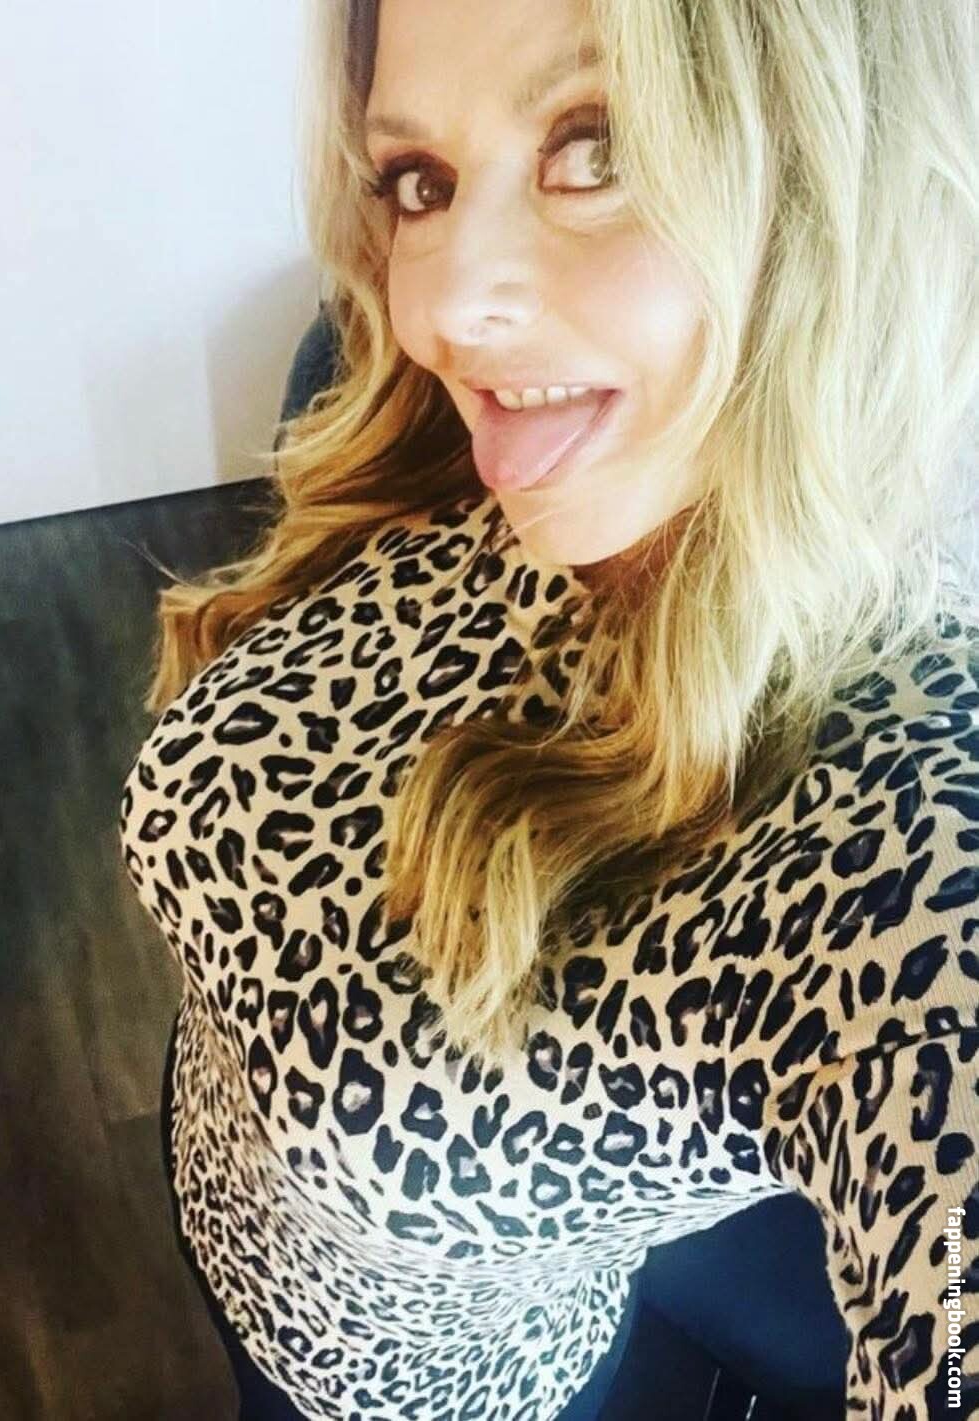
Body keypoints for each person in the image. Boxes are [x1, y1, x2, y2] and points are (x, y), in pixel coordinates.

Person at [118, 0, 979, 1417]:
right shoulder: (431, 412)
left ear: (843, 168)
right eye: (421, 179)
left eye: (599, 149)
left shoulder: (904, 824)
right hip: (215, 1175)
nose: (445, 307)